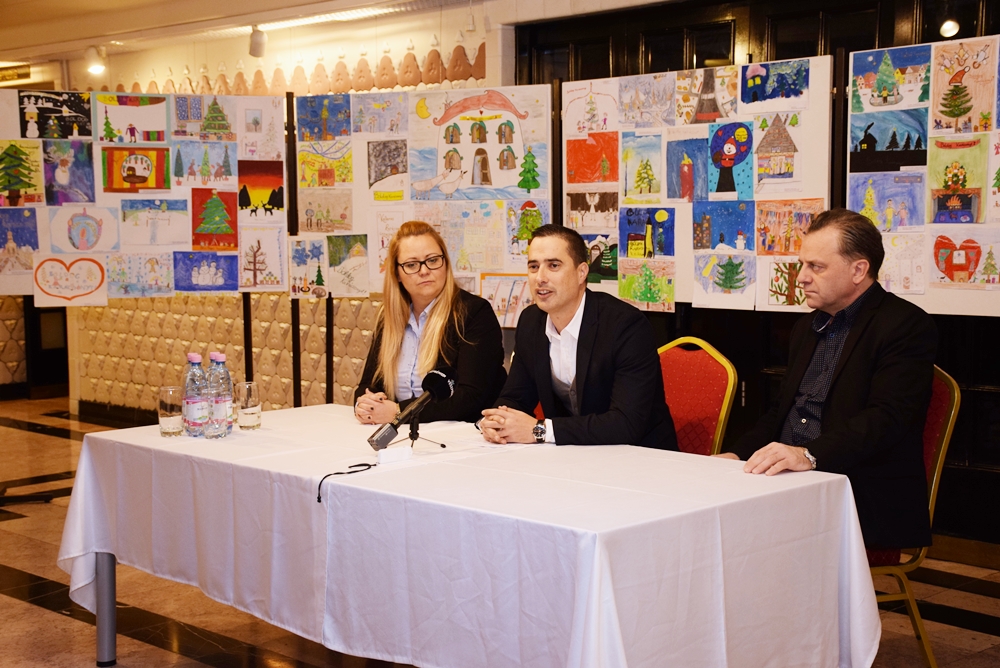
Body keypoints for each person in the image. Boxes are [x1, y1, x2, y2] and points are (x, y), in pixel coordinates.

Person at [719, 208, 938, 550]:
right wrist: (736, 455)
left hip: (855, 489)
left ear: (858, 270)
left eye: (816, 267)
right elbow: (780, 412)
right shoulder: (806, 326)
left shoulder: (905, 325)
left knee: (739, 542)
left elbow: (887, 419)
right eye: (802, 265)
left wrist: (808, 454)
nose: (801, 278)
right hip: (787, 483)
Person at [479, 224, 677, 450]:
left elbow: (626, 423)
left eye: (553, 265)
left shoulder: (626, 325)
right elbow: (515, 397)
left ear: (581, 273)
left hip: (641, 456)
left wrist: (539, 430)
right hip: (571, 455)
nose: (540, 277)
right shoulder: (531, 321)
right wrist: (497, 422)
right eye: (533, 267)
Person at [354, 221, 506, 424]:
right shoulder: (388, 317)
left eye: (433, 260)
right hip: (402, 433)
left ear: (445, 263)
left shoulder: (474, 312)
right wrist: (365, 404)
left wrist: (400, 412)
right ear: (397, 274)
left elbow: (470, 397)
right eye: (411, 265)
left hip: (460, 433)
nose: (424, 271)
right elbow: (367, 386)